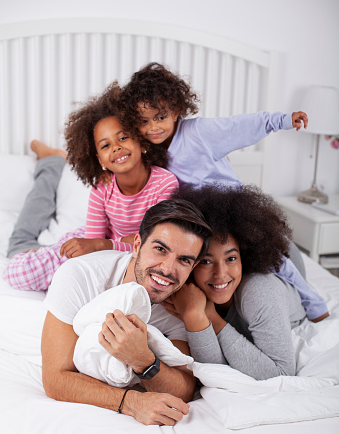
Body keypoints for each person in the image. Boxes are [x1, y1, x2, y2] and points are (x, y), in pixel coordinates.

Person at [118, 62, 328, 322]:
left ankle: (312, 301)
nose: (153, 128)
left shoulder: (199, 132)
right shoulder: (151, 151)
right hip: (197, 217)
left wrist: (282, 120)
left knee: (276, 259)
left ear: (176, 110)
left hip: (231, 208)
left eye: (160, 117)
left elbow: (240, 126)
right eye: (143, 122)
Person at [41, 198, 212, 426]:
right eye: (160, 249)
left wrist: (142, 360)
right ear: (137, 245)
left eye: (184, 260)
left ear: (193, 266)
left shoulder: (181, 304)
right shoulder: (79, 275)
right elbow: (55, 379)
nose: (168, 269)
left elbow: (185, 388)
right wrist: (130, 402)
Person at [4, 83, 178, 291]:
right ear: (100, 160)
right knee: (19, 265)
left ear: (141, 143)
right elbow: (94, 242)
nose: (116, 147)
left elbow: (153, 244)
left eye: (123, 137)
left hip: (107, 247)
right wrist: (103, 245)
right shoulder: (103, 186)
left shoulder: (165, 184)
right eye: (106, 145)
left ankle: (53, 161)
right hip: (97, 244)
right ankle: (51, 161)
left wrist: (105, 245)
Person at [163, 184, 319, 380]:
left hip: (284, 264)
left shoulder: (259, 290)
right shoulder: (189, 290)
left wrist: (211, 317)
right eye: (206, 261)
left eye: (231, 258)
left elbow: (281, 373)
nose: (220, 274)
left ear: (244, 257)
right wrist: (196, 318)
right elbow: (213, 368)